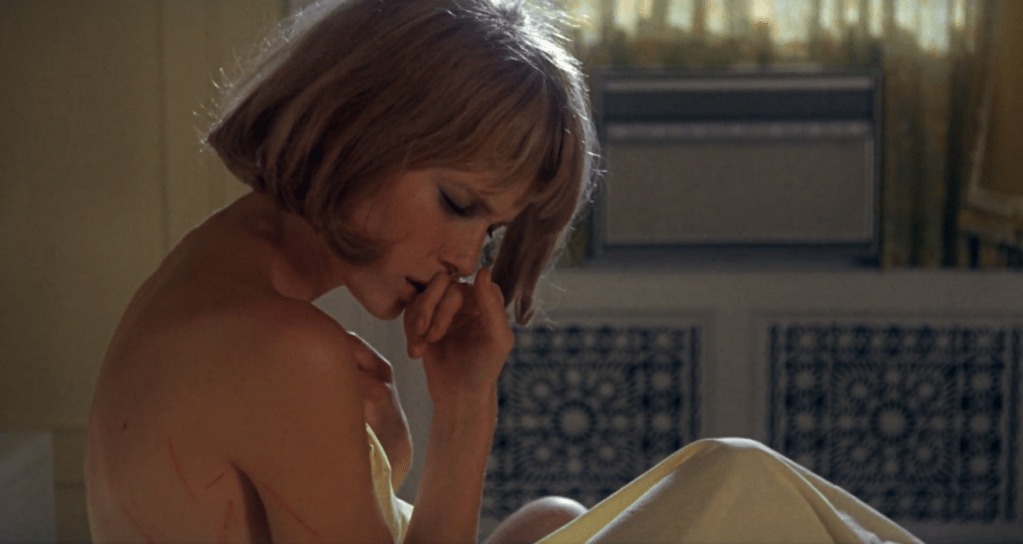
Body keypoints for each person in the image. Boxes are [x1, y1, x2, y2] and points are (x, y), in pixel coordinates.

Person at [84, 1, 924, 543]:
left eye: (490, 231)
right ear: (358, 125)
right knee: (737, 478)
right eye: (458, 202)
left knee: (556, 518)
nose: (465, 260)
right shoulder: (279, 350)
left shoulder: (203, 280)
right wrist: (464, 411)